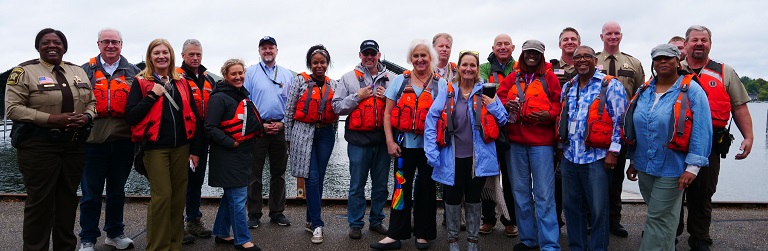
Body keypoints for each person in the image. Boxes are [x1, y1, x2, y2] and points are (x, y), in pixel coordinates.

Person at [5, 28, 96, 251]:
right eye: (46, 42)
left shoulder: (78, 71)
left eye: (57, 42)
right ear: (38, 47)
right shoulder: (24, 72)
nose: (52, 46)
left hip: (73, 145)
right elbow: (13, 109)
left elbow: (92, 102)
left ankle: (65, 247)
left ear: (64, 47)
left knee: (67, 200)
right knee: (40, 202)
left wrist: (86, 117)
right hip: (38, 146)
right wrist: (51, 119)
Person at [624, 44, 712, 251]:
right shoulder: (644, 90)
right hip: (645, 165)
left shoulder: (692, 90)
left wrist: (693, 167)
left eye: (668, 58)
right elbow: (638, 128)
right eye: (658, 58)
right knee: (667, 218)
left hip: (674, 167)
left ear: (678, 61)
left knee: (656, 217)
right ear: (653, 63)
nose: (663, 61)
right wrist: (634, 160)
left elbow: (702, 129)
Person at [678, 25, 753, 251]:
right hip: (675, 143)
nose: (699, 43)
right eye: (694, 40)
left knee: (703, 193)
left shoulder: (724, 72)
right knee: (671, 190)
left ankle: (700, 238)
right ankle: (668, 233)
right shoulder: (672, 68)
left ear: (710, 44)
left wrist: (748, 137)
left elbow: (739, 106)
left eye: (704, 40)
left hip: (709, 144)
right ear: (686, 43)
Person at [125, 38, 203, 251]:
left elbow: (194, 117)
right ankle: (158, 247)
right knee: (162, 197)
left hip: (182, 148)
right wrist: (152, 95)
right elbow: (131, 116)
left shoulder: (182, 82)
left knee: (178, 198)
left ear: (171, 56)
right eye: (156, 52)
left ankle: (174, 244)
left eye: (165, 52)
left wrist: (195, 150)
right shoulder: (140, 82)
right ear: (150, 56)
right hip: (155, 148)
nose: (161, 56)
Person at [425, 50, 507, 251]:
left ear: (478, 69)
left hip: (478, 158)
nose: (468, 68)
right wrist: (431, 152)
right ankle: (453, 241)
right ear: (459, 68)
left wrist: (494, 104)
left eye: (473, 65)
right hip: (451, 157)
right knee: (452, 199)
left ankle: (472, 242)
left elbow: (503, 119)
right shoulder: (448, 91)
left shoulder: (486, 91)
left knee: (473, 198)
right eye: (465, 65)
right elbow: (432, 119)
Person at [370, 39, 442, 251]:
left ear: (430, 58)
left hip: (429, 149)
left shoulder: (441, 84)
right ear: (411, 58)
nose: (420, 60)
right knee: (401, 188)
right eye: (416, 56)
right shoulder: (400, 81)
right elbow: (388, 114)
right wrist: (390, 141)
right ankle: (395, 234)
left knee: (427, 189)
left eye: (424, 56)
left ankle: (423, 233)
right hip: (403, 146)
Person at [558, 45, 627, 251]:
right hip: (570, 157)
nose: (581, 60)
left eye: (587, 56)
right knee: (571, 208)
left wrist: (614, 152)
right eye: (577, 57)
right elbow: (564, 119)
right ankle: (577, 246)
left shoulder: (610, 85)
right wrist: (560, 147)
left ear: (595, 61)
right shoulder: (568, 86)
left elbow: (620, 121)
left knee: (598, 210)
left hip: (597, 158)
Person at [78, 28, 140, 251]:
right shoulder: (83, 71)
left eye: (115, 42)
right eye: (106, 42)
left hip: (124, 141)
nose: (111, 46)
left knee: (117, 191)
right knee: (90, 194)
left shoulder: (133, 72)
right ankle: (87, 238)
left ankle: (114, 233)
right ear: (98, 44)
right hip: (93, 141)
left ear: (121, 44)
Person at [497, 40, 562, 251]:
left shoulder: (549, 78)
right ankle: (528, 240)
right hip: (516, 144)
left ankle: (550, 244)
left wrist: (548, 115)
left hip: (541, 145)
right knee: (520, 193)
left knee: (544, 195)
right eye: (528, 52)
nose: (531, 55)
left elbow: (559, 105)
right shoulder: (512, 78)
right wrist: (507, 104)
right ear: (523, 54)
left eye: (536, 53)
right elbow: (498, 99)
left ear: (541, 55)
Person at [333, 39, 391, 239]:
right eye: (365, 53)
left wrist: (389, 98)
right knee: (357, 184)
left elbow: (399, 107)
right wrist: (357, 96)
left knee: (381, 185)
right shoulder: (348, 78)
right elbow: (337, 107)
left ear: (378, 55)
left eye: (372, 53)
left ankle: (377, 221)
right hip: (358, 141)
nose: (369, 57)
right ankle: (355, 223)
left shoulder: (391, 78)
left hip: (383, 141)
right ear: (360, 55)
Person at [206, 59, 264, 251]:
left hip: (241, 154)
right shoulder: (219, 98)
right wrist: (231, 142)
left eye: (241, 73)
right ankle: (242, 240)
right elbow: (210, 128)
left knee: (230, 197)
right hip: (227, 155)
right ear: (225, 76)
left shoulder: (239, 95)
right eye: (233, 74)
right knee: (238, 198)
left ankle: (222, 232)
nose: (238, 77)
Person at [285, 44, 339, 244]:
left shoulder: (333, 84)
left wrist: (333, 131)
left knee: (320, 177)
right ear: (310, 63)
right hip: (303, 132)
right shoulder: (299, 81)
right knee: (312, 179)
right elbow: (289, 111)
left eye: (322, 62)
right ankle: (317, 224)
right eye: (315, 62)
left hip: (325, 133)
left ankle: (309, 219)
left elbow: (335, 111)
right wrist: (288, 139)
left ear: (327, 64)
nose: (319, 65)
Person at [597, 21, 645, 238]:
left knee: (616, 180)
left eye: (616, 33)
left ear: (621, 36)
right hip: (595, 129)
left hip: (622, 129)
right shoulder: (591, 60)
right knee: (594, 178)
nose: (613, 36)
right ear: (602, 36)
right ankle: (594, 220)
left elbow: (640, 97)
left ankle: (614, 221)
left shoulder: (633, 63)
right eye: (609, 33)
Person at [243, 36, 293, 228]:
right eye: (263, 48)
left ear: (277, 50)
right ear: (259, 51)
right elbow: (246, 104)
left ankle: (277, 212)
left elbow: (291, 104)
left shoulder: (287, 74)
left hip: (280, 128)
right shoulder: (250, 73)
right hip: (258, 129)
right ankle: (254, 213)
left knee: (279, 172)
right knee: (253, 173)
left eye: (270, 47)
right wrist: (259, 125)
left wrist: (283, 124)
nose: (267, 51)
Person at [477, 33, 518, 237]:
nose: (502, 47)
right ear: (493, 48)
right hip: (490, 129)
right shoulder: (484, 68)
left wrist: (499, 96)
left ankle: (510, 220)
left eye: (506, 44)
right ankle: (488, 219)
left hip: (513, 131)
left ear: (513, 47)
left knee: (511, 178)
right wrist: (506, 95)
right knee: (488, 174)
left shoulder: (519, 67)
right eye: (498, 44)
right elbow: (480, 88)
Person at [176, 38, 215, 243]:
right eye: (191, 54)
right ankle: (176, 225)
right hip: (182, 138)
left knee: (196, 182)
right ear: (183, 55)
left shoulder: (208, 80)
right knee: (179, 183)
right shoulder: (176, 77)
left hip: (203, 139)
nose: (195, 57)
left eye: (198, 54)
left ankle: (193, 220)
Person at [549, 27, 582, 229]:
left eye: (573, 39)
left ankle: (580, 221)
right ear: (560, 44)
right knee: (556, 179)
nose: (569, 42)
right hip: (556, 130)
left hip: (582, 133)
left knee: (581, 179)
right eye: (565, 39)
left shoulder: (588, 64)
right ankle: (555, 219)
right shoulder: (551, 68)